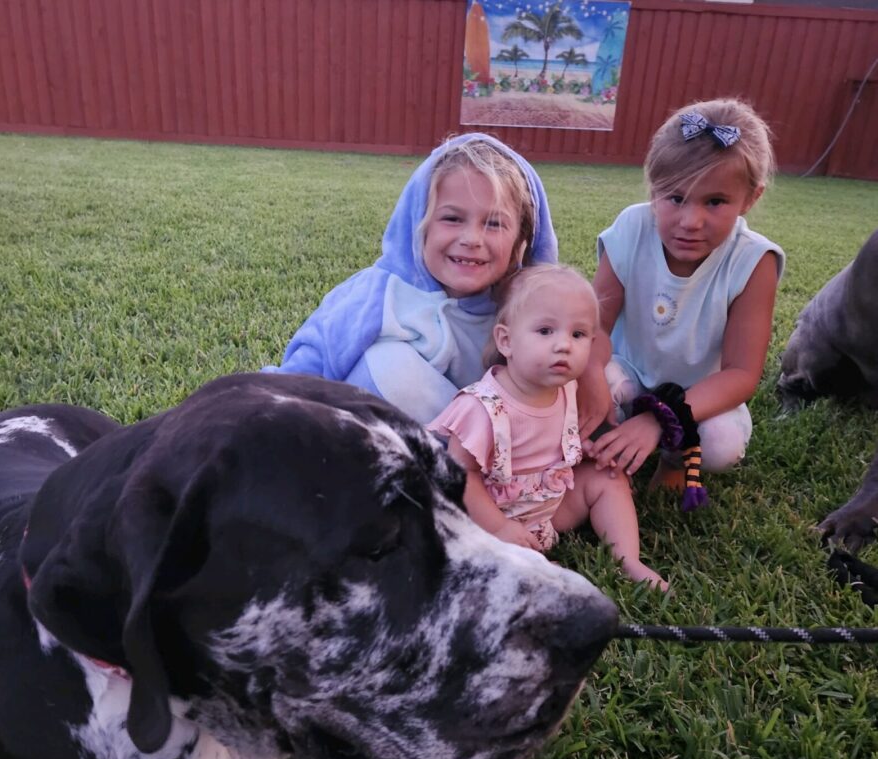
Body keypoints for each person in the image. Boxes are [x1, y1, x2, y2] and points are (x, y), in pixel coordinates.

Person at [267, 133, 558, 425]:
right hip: (371, 443)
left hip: (495, 448)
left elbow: (566, 376)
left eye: (494, 223)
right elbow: (309, 364)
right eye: (452, 219)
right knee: (388, 365)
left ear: (521, 238)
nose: (471, 239)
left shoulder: (525, 312)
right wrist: (271, 412)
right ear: (419, 224)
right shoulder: (378, 294)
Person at [580, 98, 785, 508]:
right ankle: (601, 442)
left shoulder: (753, 260)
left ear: (750, 198)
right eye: (675, 197)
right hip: (630, 375)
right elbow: (594, 328)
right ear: (653, 189)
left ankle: (674, 458)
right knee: (576, 393)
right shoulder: (632, 229)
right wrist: (593, 390)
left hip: (701, 393)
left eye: (714, 202)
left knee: (721, 445)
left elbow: (742, 373)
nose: (691, 221)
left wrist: (662, 419)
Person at [429, 265, 667, 589]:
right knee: (471, 549)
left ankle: (629, 560)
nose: (564, 345)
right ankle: (525, 566)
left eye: (578, 334)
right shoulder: (483, 407)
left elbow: (553, 444)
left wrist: (582, 451)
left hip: (548, 509)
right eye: (545, 331)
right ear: (506, 340)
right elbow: (459, 475)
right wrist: (499, 527)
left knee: (607, 478)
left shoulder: (567, 390)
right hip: (488, 518)